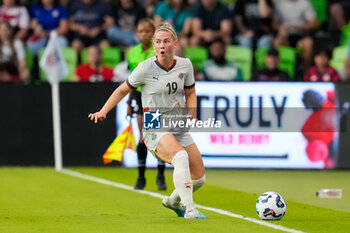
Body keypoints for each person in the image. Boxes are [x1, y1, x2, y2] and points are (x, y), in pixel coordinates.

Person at [89, 23, 208, 219]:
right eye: (158, 42)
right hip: (154, 123)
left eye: (166, 41)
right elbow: (122, 90)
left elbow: (191, 92)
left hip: (178, 124)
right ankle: (190, 210)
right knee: (180, 157)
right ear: (154, 46)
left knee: (200, 178)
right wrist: (103, 111)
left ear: (175, 44)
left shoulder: (185, 65)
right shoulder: (144, 68)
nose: (162, 45)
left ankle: (172, 201)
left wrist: (192, 112)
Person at [126, 18, 167, 190]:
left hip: (156, 98)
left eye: (147, 31)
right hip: (139, 96)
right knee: (143, 136)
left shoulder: (158, 50)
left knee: (156, 136)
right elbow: (130, 80)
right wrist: (129, 102)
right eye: (141, 31)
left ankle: (160, 175)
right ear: (137, 33)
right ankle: (141, 177)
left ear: (153, 33)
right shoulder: (133, 52)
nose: (144, 34)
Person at [273, 0, 319, 67]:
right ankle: (280, 70)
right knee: (277, 42)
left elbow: (314, 23)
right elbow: (274, 23)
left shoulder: (304, 3)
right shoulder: (279, 4)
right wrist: (281, 29)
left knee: (308, 43)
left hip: (301, 35)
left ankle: (305, 70)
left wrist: (296, 27)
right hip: (285, 36)